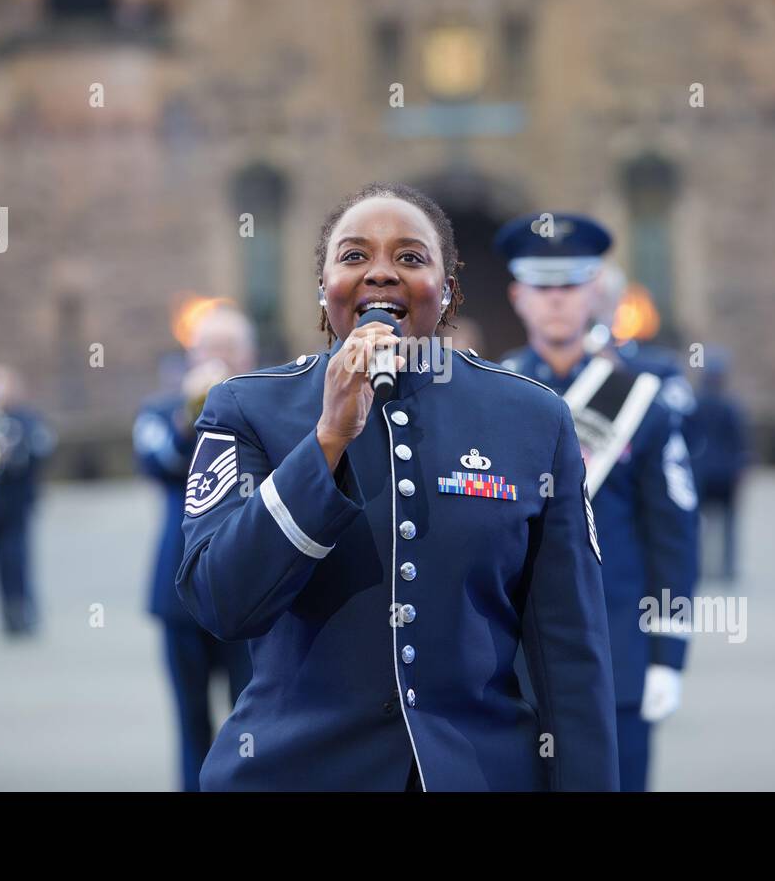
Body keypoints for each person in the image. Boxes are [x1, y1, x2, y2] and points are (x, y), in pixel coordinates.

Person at [177, 182, 620, 791]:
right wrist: (327, 440)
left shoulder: (532, 417)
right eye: (354, 256)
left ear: (447, 288)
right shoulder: (248, 408)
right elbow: (222, 601)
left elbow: (570, 648)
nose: (381, 273)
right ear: (324, 285)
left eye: (411, 257)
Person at [496, 212, 699, 792]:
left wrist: (668, 652)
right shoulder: (492, 393)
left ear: (595, 292)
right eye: (542, 286)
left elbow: (672, 536)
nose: (556, 299)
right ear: (518, 296)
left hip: (618, 650)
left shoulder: (642, 401)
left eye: (570, 284)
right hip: (510, 660)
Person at [134, 312, 254, 792]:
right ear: (192, 355)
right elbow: (159, 462)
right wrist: (190, 414)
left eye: (229, 348)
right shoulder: (161, 411)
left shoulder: (263, 406)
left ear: (247, 355)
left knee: (251, 716)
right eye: (210, 348)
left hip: (249, 590)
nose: (218, 358)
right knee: (190, 720)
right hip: (178, 592)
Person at [0, 364, 55, 638]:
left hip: (17, 501)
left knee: (18, 558)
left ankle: (24, 611)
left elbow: (41, 449)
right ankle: (6, 614)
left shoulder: (25, 419)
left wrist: (13, 455)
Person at [691, 351, 748, 583]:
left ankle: (698, 565)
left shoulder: (695, 403)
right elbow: (740, 443)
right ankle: (727, 567)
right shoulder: (731, 406)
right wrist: (740, 471)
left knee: (697, 523)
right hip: (726, 473)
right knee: (728, 523)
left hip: (702, 471)